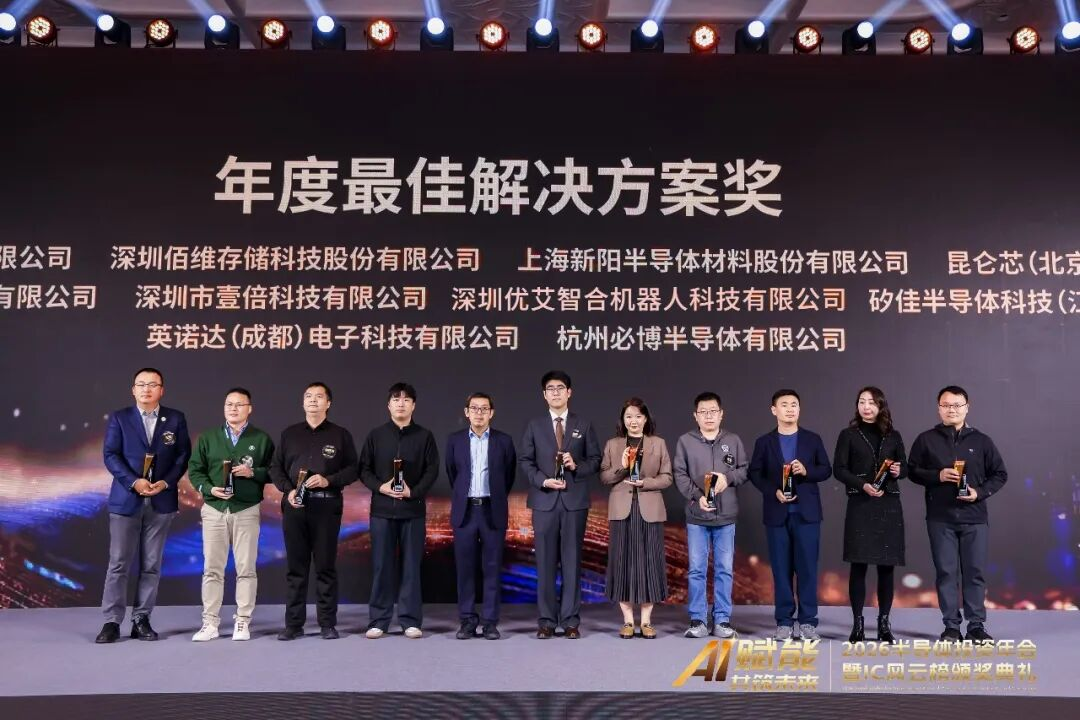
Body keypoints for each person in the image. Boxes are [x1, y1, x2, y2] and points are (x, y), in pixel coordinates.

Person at [96, 367, 191, 644]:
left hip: (161, 500)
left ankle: (141, 619)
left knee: (151, 564)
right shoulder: (120, 418)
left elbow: (182, 455)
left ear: (162, 390)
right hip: (126, 499)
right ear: (133, 390)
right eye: (141, 384)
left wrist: (166, 483)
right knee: (118, 563)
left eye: (152, 384)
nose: (146, 389)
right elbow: (110, 455)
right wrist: (133, 482)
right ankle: (112, 622)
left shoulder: (175, 418)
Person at [908, 385, 1007, 644]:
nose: (951, 410)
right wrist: (937, 475)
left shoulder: (981, 441)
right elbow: (912, 471)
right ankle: (951, 626)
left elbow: (1000, 474)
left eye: (957, 405)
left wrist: (979, 493)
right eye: (946, 405)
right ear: (938, 408)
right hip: (940, 518)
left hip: (975, 518)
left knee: (975, 573)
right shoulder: (926, 439)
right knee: (946, 573)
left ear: (967, 407)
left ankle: (976, 626)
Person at [270, 381, 358, 640]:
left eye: (319, 397)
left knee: (325, 567)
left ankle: (327, 623)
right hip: (295, 507)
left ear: (328, 403)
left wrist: (328, 480)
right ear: (303, 402)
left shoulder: (340, 435)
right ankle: (293, 624)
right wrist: (288, 490)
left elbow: (353, 469)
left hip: (326, 507)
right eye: (308, 396)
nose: (312, 400)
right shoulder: (289, 434)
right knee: (295, 568)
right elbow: (275, 468)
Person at [187, 387, 274, 642]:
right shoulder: (209, 438)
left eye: (239, 404)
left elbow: (275, 471)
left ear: (249, 408)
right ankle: (210, 622)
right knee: (212, 569)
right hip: (214, 509)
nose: (233, 409)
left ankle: (243, 620)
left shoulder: (261, 439)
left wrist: (253, 473)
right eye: (229, 404)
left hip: (246, 509)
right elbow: (195, 470)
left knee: (246, 568)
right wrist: (208, 489)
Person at [520, 370, 602, 639]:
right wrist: (543, 481)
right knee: (544, 564)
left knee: (572, 563)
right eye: (550, 389)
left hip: (574, 502)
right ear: (544, 395)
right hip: (544, 502)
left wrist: (576, 466)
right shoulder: (534, 425)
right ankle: (545, 621)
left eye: (560, 388)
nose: (555, 392)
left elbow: (595, 460)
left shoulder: (583, 424)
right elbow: (525, 461)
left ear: (569, 392)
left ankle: (570, 621)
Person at [749, 389, 832, 642]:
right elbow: (755, 473)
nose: (789, 409)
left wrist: (807, 471)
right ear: (774, 410)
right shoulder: (764, 442)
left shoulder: (812, 439)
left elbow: (826, 469)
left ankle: (807, 622)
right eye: (784, 405)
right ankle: (784, 622)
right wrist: (772, 491)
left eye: (794, 404)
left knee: (807, 570)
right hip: (777, 514)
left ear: (799, 409)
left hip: (807, 514)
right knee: (781, 571)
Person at [359, 382, 439, 639]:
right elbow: (364, 470)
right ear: (388, 405)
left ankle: (410, 620)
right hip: (382, 512)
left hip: (412, 511)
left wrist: (412, 492)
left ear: (414, 405)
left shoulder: (424, 436)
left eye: (406, 400)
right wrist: (381, 487)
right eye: (396, 399)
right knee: (381, 567)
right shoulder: (376, 435)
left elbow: (432, 470)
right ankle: (378, 620)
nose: (401, 403)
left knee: (411, 568)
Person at [833, 387, 907, 643]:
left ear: (880, 406)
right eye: (862, 402)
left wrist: (898, 470)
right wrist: (862, 485)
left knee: (887, 567)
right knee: (858, 565)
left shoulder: (893, 435)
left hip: (888, 504)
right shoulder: (848, 435)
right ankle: (858, 624)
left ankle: (884, 624)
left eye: (872, 402)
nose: (866, 407)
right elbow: (839, 469)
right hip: (861, 503)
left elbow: (905, 467)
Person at [673, 392, 748, 639]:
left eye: (713, 411)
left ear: (721, 414)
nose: (708, 416)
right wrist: (697, 497)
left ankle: (722, 620)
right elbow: (679, 474)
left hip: (726, 517)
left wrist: (729, 478)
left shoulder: (733, 440)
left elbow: (744, 469)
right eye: (703, 412)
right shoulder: (686, 441)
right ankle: (698, 619)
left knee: (724, 569)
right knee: (697, 569)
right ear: (695, 416)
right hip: (697, 516)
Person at [445, 392, 517, 640]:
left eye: (484, 408)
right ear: (466, 412)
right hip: (465, 510)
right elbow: (453, 474)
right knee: (465, 569)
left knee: (492, 568)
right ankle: (467, 620)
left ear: (491, 413)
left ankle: (490, 622)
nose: (479, 413)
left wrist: (494, 497)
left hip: (491, 509)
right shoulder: (455, 440)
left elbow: (508, 475)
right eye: (474, 408)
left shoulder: (504, 441)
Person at [600, 398, 672, 639]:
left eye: (638, 416)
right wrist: (622, 467)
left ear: (646, 419)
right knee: (622, 563)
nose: (633, 421)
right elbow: (604, 477)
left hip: (650, 510)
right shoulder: (613, 445)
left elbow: (667, 477)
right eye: (629, 416)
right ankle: (628, 622)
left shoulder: (658, 444)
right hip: (621, 510)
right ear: (623, 420)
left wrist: (645, 482)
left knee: (650, 562)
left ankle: (647, 621)